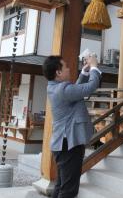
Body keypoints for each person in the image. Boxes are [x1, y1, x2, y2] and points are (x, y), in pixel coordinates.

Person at [42, 55, 101, 198]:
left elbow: (74, 90)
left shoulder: (54, 87)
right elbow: (89, 87)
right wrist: (94, 67)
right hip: (69, 144)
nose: (69, 69)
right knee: (69, 190)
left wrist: (85, 72)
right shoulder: (63, 89)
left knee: (61, 185)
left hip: (62, 144)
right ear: (58, 72)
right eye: (65, 66)